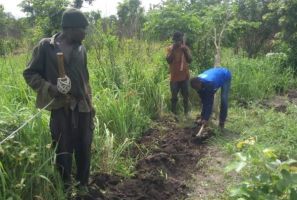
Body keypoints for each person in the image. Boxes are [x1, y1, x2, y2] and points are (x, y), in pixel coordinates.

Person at [23, 8, 94, 188]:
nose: (85, 33)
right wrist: (50, 88)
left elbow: (85, 79)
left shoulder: (81, 49)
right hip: (60, 107)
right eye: (82, 29)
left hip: (82, 107)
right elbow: (30, 73)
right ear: (69, 29)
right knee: (63, 149)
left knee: (84, 146)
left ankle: (83, 184)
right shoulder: (46, 47)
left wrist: (90, 104)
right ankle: (65, 187)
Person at [166, 31, 192, 117]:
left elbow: (190, 60)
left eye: (179, 40)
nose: (178, 42)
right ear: (174, 40)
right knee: (174, 97)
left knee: (186, 95)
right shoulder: (170, 48)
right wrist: (173, 50)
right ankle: (173, 113)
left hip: (185, 76)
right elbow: (169, 61)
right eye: (176, 41)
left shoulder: (185, 48)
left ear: (181, 40)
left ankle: (186, 113)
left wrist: (185, 52)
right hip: (174, 78)